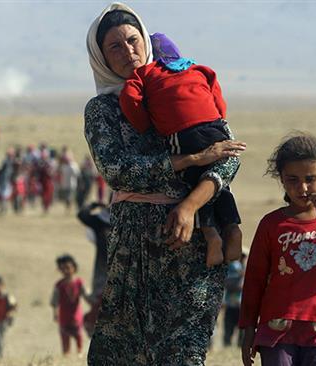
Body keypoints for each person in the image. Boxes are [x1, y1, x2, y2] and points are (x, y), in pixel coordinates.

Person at [84, 3, 246, 364]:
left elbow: (228, 154)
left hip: (196, 242)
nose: (128, 52)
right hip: (135, 250)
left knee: (183, 352)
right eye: (115, 47)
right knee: (122, 353)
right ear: (101, 57)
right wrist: (187, 160)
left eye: (133, 40)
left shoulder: (181, 84)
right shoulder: (103, 110)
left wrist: (190, 206)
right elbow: (116, 170)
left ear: (146, 40)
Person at [120, 32, 242, 267]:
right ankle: (232, 227)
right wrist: (218, 120)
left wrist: (145, 123)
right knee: (218, 180)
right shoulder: (198, 68)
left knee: (191, 179)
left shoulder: (145, 72)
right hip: (215, 127)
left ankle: (211, 235)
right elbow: (217, 95)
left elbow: (130, 98)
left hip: (183, 132)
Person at [239, 133, 316, 366]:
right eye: (292, 179)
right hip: (276, 329)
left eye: (310, 178)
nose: (302, 187)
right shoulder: (271, 224)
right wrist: (248, 329)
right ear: (282, 180)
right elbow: (254, 280)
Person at [76, 202, 111, 337]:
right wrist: (94, 205)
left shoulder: (129, 218)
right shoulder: (100, 223)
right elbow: (82, 214)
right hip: (103, 272)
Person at [51, 254, 88, 357]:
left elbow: (86, 295)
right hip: (64, 317)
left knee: (78, 335)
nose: (65, 271)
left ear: (74, 268)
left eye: (68, 267)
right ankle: (66, 356)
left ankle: (79, 353)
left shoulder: (79, 282)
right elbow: (55, 301)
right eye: (62, 268)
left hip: (76, 317)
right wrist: (55, 313)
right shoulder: (59, 285)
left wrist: (94, 303)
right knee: (65, 337)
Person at [223, 251, 247, 347]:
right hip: (231, 305)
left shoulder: (245, 269)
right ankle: (227, 346)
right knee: (229, 329)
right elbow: (229, 284)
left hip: (241, 306)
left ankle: (239, 346)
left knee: (242, 332)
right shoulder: (233, 268)